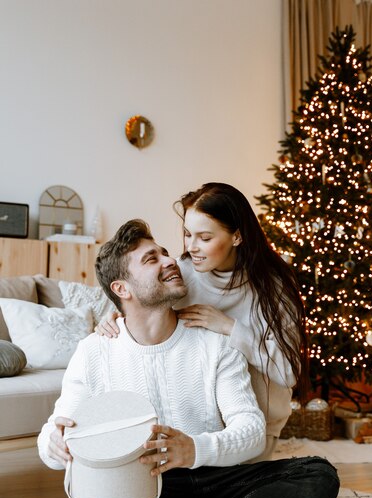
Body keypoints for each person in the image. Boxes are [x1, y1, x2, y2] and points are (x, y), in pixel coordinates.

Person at [38, 219, 350, 498]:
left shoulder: (212, 343)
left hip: (217, 477)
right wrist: (56, 443)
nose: (170, 260)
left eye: (165, 252)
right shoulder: (94, 351)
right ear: (121, 288)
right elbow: (57, 431)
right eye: (151, 259)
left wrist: (194, 449)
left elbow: (250, 429)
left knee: (318, 475)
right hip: (148, 487)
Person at [97, 182, 308, 459]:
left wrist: (230, 328)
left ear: (237, 236)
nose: (190, 247)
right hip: (191, 428)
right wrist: (111, 317)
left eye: (205, 238)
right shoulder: (181, 273)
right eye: (187, 234)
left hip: (253, 430)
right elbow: (131, 296)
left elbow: (288, 372)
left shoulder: (274, 286)